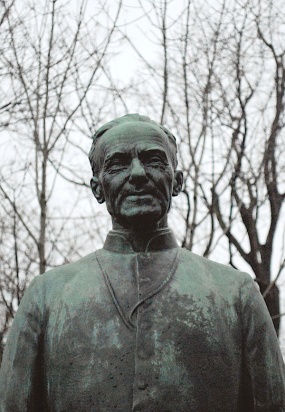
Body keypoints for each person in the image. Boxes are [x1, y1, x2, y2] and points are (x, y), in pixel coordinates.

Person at [0, 113, 284, 411]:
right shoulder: (46, 295)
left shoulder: (235, 293)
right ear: (98, 188)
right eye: (118, 164)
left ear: (177, 182)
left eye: (154, 161)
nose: (137, 173)